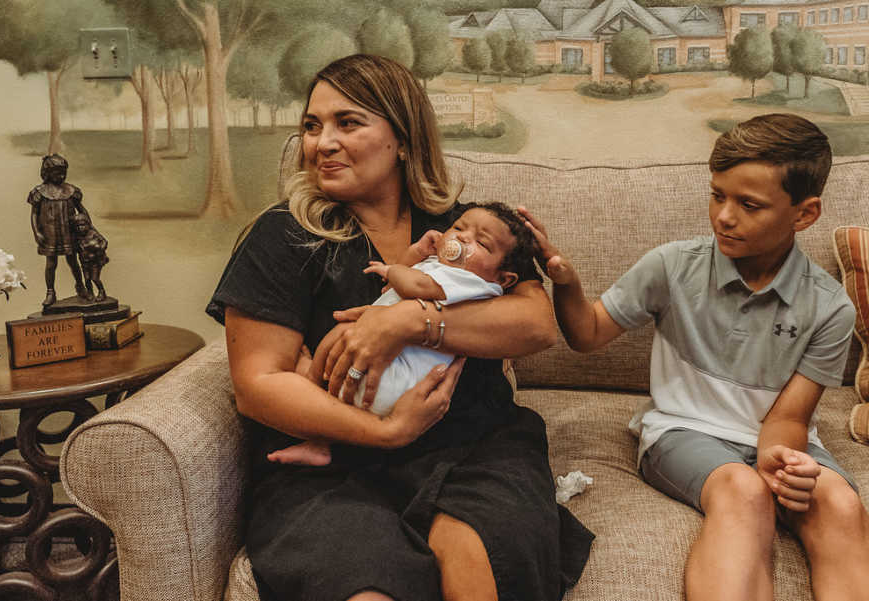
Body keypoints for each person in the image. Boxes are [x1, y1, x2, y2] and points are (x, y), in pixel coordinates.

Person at [206, 54, 593, 601]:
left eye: (348, 122)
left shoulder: (462, 230)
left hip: (473, 444)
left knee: (481, 568)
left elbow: (534, 324)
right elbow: (258, 386)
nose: (322, 143)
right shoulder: (282, 236)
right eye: (312, 127)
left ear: (404, 139)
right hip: (330, 463)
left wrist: (408, 321)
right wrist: (386, 433)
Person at [520, 113, 869, 601]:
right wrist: (565, 282)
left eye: (749, 204)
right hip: (682, 431)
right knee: (745, 491)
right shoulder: (672, 266)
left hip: (778, 436)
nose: (724, 215)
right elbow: (588, 335)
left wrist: (787, 465)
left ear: (804, 214)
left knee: (840, 503)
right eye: (718, 195)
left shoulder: (830, 307)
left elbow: (788, 419)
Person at [267, 202, 539, 466]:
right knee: (347, 339)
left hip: (396, 380)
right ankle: (323, 445)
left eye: (482, 243)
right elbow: (393, 286)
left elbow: (414, 285)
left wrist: (392, 269)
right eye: (458, 228)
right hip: (390, 382)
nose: (463, 239)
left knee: (343, 332)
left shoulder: (476, 284)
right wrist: (416, 252)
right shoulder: (443, 269)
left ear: (504, 279)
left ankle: (311, 378)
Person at [28, 154, 90, 306]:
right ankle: (50, 292)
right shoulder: (40, 192)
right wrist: (37, 233)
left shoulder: (71, 190)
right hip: (50, 234)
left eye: (63, 172)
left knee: (73, 261)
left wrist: (88, 229)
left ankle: (80, 286)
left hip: (69, 233)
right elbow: (34, 214)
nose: (61, 176)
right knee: (51, 264)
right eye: (57, 173)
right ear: (47, 173)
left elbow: (82, 211)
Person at [71, 212, 109, 302]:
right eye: (78, 226)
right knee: (87, 279)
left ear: (87, 224)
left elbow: (104, 241)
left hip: (95, 261)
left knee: (95, 278)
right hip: (84, 262)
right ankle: (90, 293)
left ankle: (101, 291)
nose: (80, 228)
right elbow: (76, 248)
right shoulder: (77, 237)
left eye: (82, 225)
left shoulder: (93, 233)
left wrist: (100, 249)